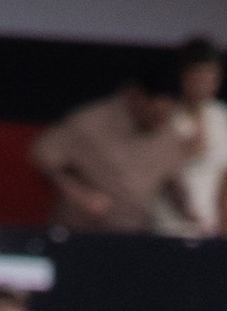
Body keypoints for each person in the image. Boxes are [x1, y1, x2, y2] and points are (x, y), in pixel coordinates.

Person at [32, 70, 190, 234]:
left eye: (165, 116)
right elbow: (43, 156)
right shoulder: (91, 122)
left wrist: (187, 211)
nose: (159, 123)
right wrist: (78, 194)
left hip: (136, 234)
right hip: (82, 232)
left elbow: (174, 183)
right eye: (155, 114)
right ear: (137, 98)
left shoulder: (167, 133)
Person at [159, 38, 227, 239]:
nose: (204, 85)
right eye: (197, 77)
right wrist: (183, 153)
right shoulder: (164, 116)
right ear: (182, 76)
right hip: (164, 228)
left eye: (211, 78)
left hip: (208, 230)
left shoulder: (222, 116)